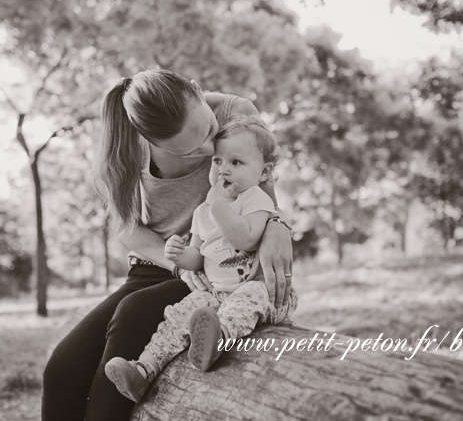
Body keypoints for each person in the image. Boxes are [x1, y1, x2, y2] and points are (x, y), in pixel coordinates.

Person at [41, 68, 294, 421]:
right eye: (192, 152)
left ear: (196, 88)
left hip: (214, 268)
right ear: (149, 139)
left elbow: (265, 199)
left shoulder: (237, 112)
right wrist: (176, 263)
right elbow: (128, 226)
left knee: (131, 316)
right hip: (159, 265)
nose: (209, 150)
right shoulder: (126, 144)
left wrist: (279, 226)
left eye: (208, 133)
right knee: (62, 370)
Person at [104, 115, 298, 402]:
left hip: (263, 292)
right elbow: (197, 259)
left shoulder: (255, 199)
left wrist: (217, 202)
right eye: (217, 161)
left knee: (246, 299)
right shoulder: (202, 213)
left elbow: (244, 238)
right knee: (180, 314)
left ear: (264, 172)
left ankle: (216, 341)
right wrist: (180, 255)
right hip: (217, 293)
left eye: (236, 162)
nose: (223, 170)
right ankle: (143, 370)